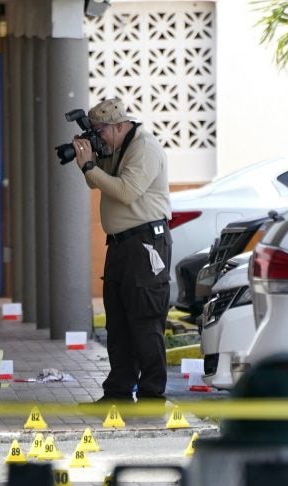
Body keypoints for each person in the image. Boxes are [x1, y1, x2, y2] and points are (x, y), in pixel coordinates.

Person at [72, 97, 172, 404]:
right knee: (117, 321)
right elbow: (95, 184)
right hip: (119, 244)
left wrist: (89, 165)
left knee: (144, 320)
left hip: (145, 245)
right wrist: (92, 159)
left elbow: (127, 192)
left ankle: (152, 394)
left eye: (99, 132)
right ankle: (117, 391)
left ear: (117, 126)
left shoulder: (144, 148)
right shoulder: (116, 146)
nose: (98, 137)